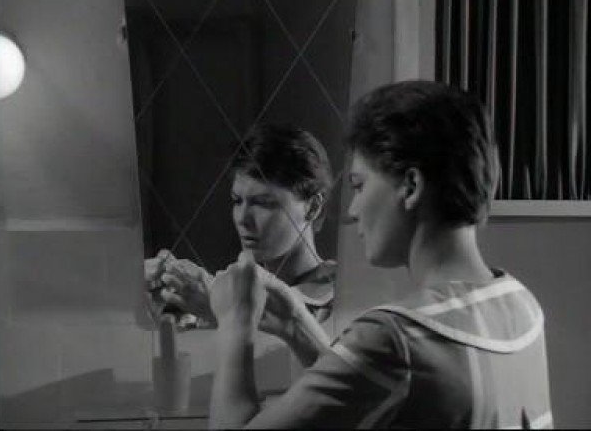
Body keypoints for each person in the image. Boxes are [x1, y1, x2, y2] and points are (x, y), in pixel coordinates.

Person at [206, 80, 553, 428]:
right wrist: (296, 325)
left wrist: (235, 325)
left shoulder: (396, 338)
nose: (353, 210)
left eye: (359, 185)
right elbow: (379, 393)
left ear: (411, 187)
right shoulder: (522, 307)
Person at [145, 123, 337, 363]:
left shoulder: (341, 296)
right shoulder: (233, 291)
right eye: (237, 201)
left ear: (313, 207)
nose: (243, 219)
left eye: (264, 203)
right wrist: (155, 305)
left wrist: (219, 309)